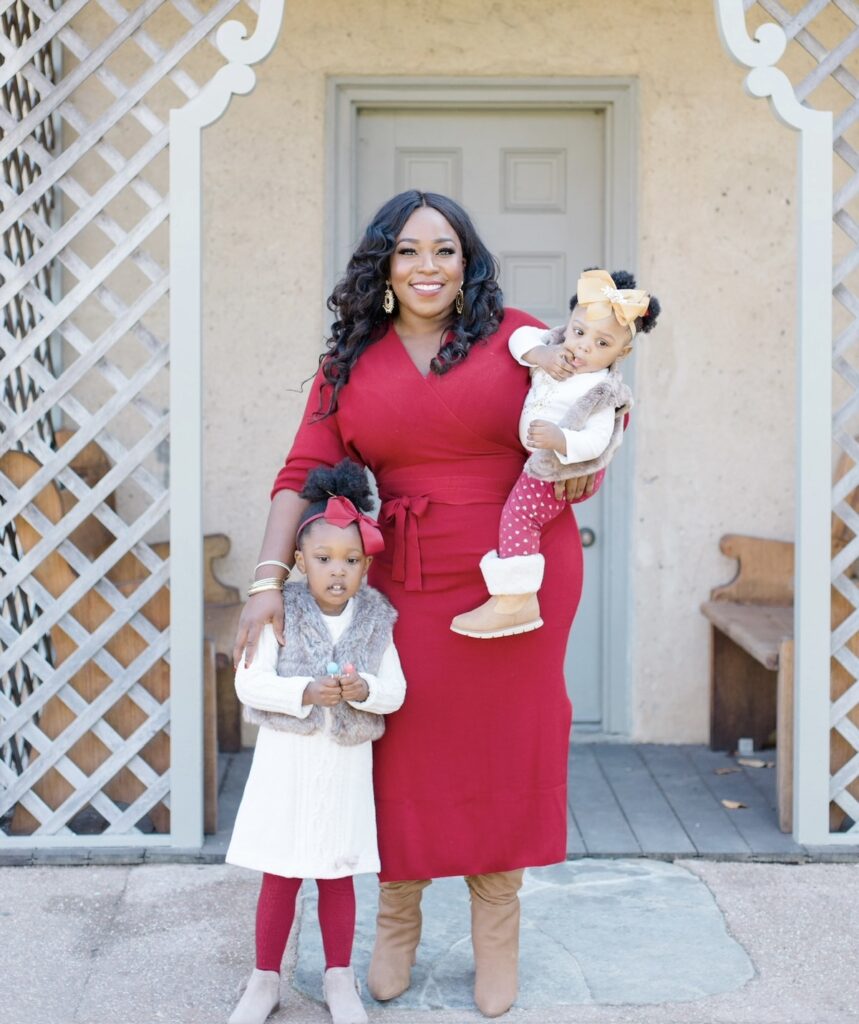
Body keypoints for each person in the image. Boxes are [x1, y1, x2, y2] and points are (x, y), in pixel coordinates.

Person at [233, 190, 605, 1019]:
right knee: (398, 744)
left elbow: (588, 411)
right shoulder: (349, 361)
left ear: (466, 261)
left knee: (505, 741)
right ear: (384, 265)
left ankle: (495, 921)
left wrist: (587, 461)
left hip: (516, 574)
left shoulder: (520, 339)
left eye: (445, 249)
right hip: (398, 578)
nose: (428, 266)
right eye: (409, 250)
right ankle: (397, 914)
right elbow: (300, 470)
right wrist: (266, 580)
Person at [226, 460, 406, 1024]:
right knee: (281, 871)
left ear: (366, 565)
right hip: (289, 765)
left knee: (336, 870)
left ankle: (338, 978)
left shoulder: (376, 620)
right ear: (300, 562)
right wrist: (305, 690)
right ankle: (264, 980)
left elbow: (395, 691)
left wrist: (364, 688)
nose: (337, 572)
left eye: (351, 561)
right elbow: (248, 681)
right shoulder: (282, 610)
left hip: (343, 769)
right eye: (324, 560)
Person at [450, 268, 660, 639]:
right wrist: (543, 354)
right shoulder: (556, 349)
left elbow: (597, 440)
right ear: (569, 323)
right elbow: (518, 338)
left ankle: (516, 599)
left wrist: (560, 440)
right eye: (580, 332)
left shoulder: (601, 388)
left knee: (521, 514)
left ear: (621, 353)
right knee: (519, 511)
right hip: (545, 457)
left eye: (602, 344)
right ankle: (516, 596)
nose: (583, 347)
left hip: (563, 467)